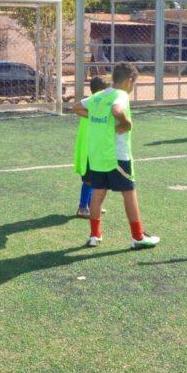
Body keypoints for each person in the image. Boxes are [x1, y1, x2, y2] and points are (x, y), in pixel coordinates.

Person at [72, 62, 160, 249]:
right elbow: (116, 110)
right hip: (116, 156)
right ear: (129, 81)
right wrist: (126, 122)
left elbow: (77, 107)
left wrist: (98, 119)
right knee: (129, 193)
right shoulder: (121, 95)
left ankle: (94, 236)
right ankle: (138, 237)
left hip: (97, 155)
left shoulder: (98, 96)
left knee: (98, 193)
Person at [75, 75, 108, 218]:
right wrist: (93, 115)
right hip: (89, 148)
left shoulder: (99, 105)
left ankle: (91, 205)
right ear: (100, 91)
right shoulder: (90, 103)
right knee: (89, 179)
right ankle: (82, 207)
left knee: (96, 178)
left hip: (97, 148)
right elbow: (75, 108)